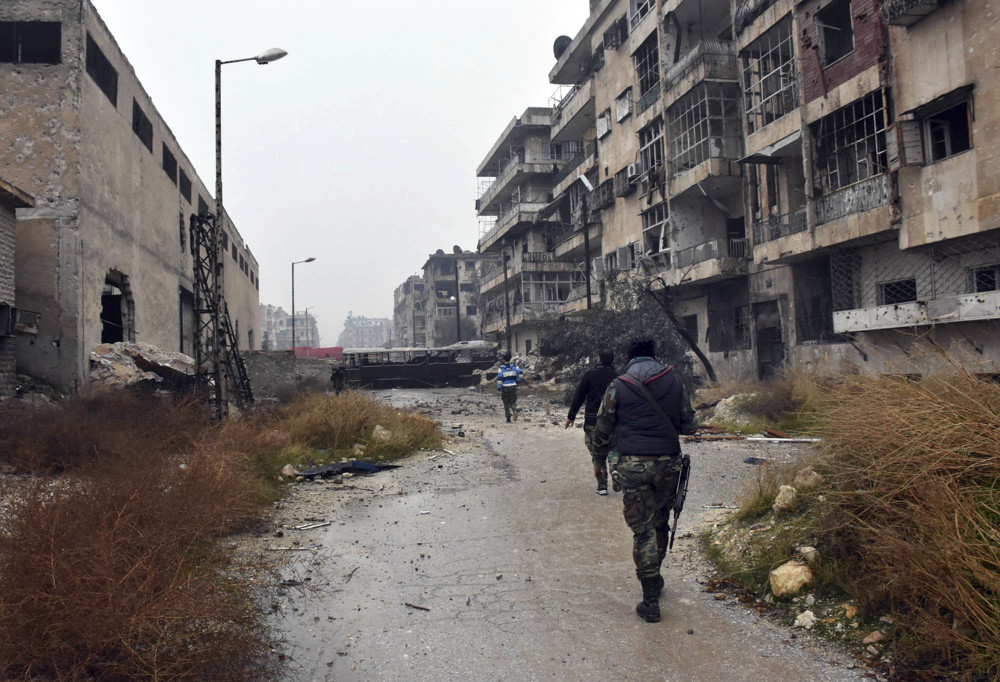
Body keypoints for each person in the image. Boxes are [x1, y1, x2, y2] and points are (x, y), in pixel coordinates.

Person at [593, 337, 697, 623]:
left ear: (629, 357)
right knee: (661, 520)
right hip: (668, 463)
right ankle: (656, 577)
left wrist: (599, 460)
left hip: (633, 466)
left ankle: (650, 599)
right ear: (654, 354)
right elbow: (690, 424)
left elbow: (603, 428)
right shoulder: (674, 380)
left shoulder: (619, 385)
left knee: (643, 529)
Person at [564, 350, 618, 495]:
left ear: (599, 359)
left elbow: (579, 396)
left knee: (597, 452)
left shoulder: (590, 375)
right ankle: (615, 465)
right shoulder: (618, 377)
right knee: (613, 447)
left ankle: (602, 486)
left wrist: (571, 416)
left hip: (592, 421)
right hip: (614, 421)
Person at [496, 352, 524, 423]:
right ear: (510, 359)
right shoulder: (514, 367)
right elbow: (521, 374)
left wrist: (499, 388)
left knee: (506, 402)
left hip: (505, 387)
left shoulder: (501, 368)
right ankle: (514, 410)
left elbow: (500, 379)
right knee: (513, 401)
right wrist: (517, 382)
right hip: (513, 386)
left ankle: (508, 418)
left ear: (503, 360)